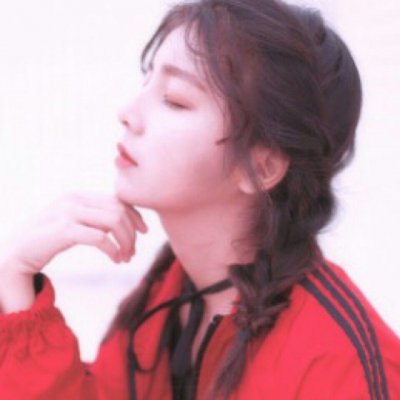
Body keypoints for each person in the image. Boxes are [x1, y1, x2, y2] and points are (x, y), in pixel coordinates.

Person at [0, 0, 399, 399]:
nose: (128, 113)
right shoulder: (164, 300)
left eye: (175, 99)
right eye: (146, 82)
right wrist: (16, 284)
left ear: (260, 168)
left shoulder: (338, 363)